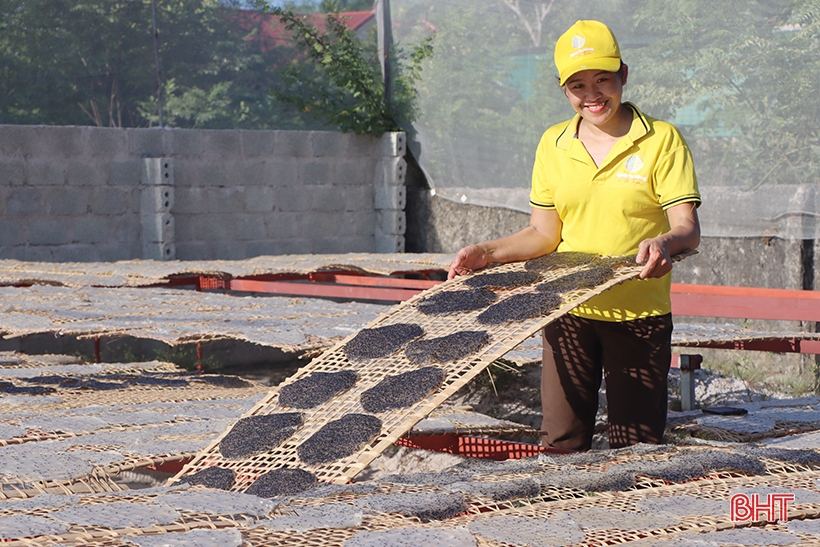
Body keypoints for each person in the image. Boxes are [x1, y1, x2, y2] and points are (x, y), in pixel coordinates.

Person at [448, 20, 701, 451]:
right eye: (577, 85)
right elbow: (543, 234)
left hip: (637, 315)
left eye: (602, 79)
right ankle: (567, 519)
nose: (592, 94)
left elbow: (687, 230)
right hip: (568, 311)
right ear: (564, 89)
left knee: (636, 447)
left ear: (623, 74)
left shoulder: (661, 140)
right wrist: (486, 253)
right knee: (562, 440)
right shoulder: (554, 144)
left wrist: (665, 243)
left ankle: (627, 517)